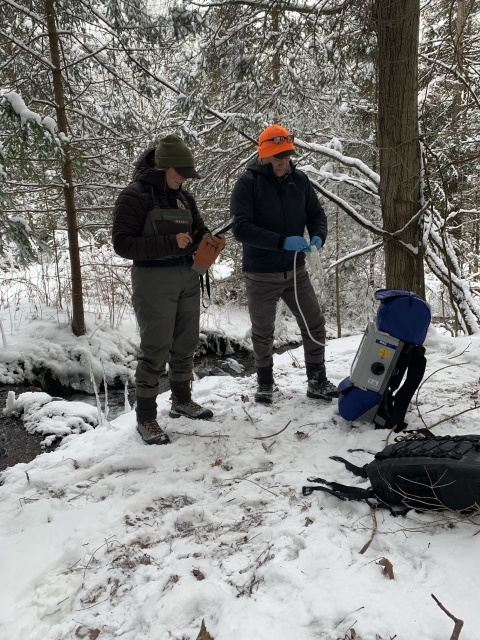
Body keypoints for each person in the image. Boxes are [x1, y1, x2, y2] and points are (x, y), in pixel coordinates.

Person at [112, 134, 224, 445]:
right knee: (155, 349)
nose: (185, 180)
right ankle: (146, 418)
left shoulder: (185, 198)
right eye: (180, 174)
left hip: (189, 275)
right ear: (163, 168)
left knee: (185, 343)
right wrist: (169, 242)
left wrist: (208, 240)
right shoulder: (134, 196)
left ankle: (181, 401)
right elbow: (121, 244)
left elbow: (198, 228)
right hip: (152, 280)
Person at [230, 124, 337, 404]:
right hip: (260, 273)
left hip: (296, 272)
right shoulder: (247, 184)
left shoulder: (299, 181)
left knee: (314, 322)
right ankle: (264, 382)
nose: (283, 162)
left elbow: (316, 214)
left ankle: (317, 380)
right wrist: (281, 241)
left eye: (286, 156)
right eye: (277, 156)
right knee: (263, 331)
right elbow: (240, 228)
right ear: (263, 155)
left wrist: (317, 235)